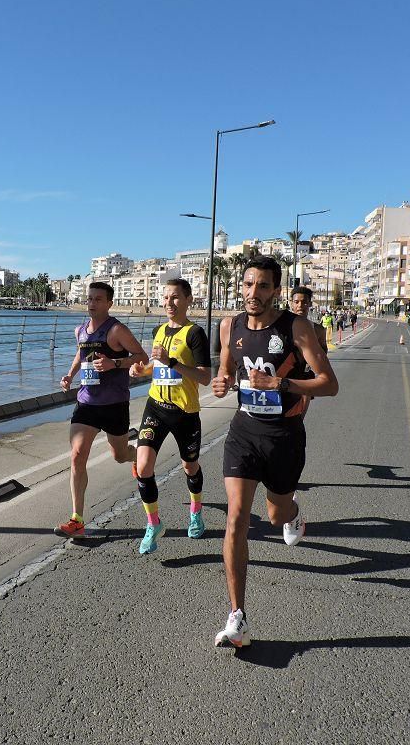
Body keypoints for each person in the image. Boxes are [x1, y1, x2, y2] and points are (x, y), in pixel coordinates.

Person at [211, 256, 339, 648]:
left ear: (276, 291)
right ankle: (238, 616)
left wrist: (281, 384)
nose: (253, 293)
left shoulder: (296, 327)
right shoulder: (228, 326)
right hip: (244, 433)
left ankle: (294, 514)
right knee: (236, 518)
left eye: (263, 286)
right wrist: (220, 382)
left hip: (284, 436)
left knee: (275, 513)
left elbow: (328, 384)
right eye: (248, 285)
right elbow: (226, 371)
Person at [55, 282, 149, 537]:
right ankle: (77, 520)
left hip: (114, 404)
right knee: (77, 455)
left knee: (119, 454)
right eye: (89, 299)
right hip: (86, 402)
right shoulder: (80, 330)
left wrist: (114, 362)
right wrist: (69, 375)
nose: (92, 304)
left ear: (109, 303)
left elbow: (143, 357)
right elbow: (80, 355)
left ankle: (134, 456)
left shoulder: (116, 330)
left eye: (98, 299)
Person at [127, 279, 212, 554]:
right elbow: (158, 365)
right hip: (156, 406)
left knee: (190, 467)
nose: (169, 303)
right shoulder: (159, 330)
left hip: (185, 412)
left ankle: (196, 511)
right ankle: (154, 524)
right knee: (143, 468)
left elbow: (205, 377)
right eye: (165, 298)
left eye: (175, 298)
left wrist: (173, 361)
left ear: (188, 300)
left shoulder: (195, 333)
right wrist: (142, 370)